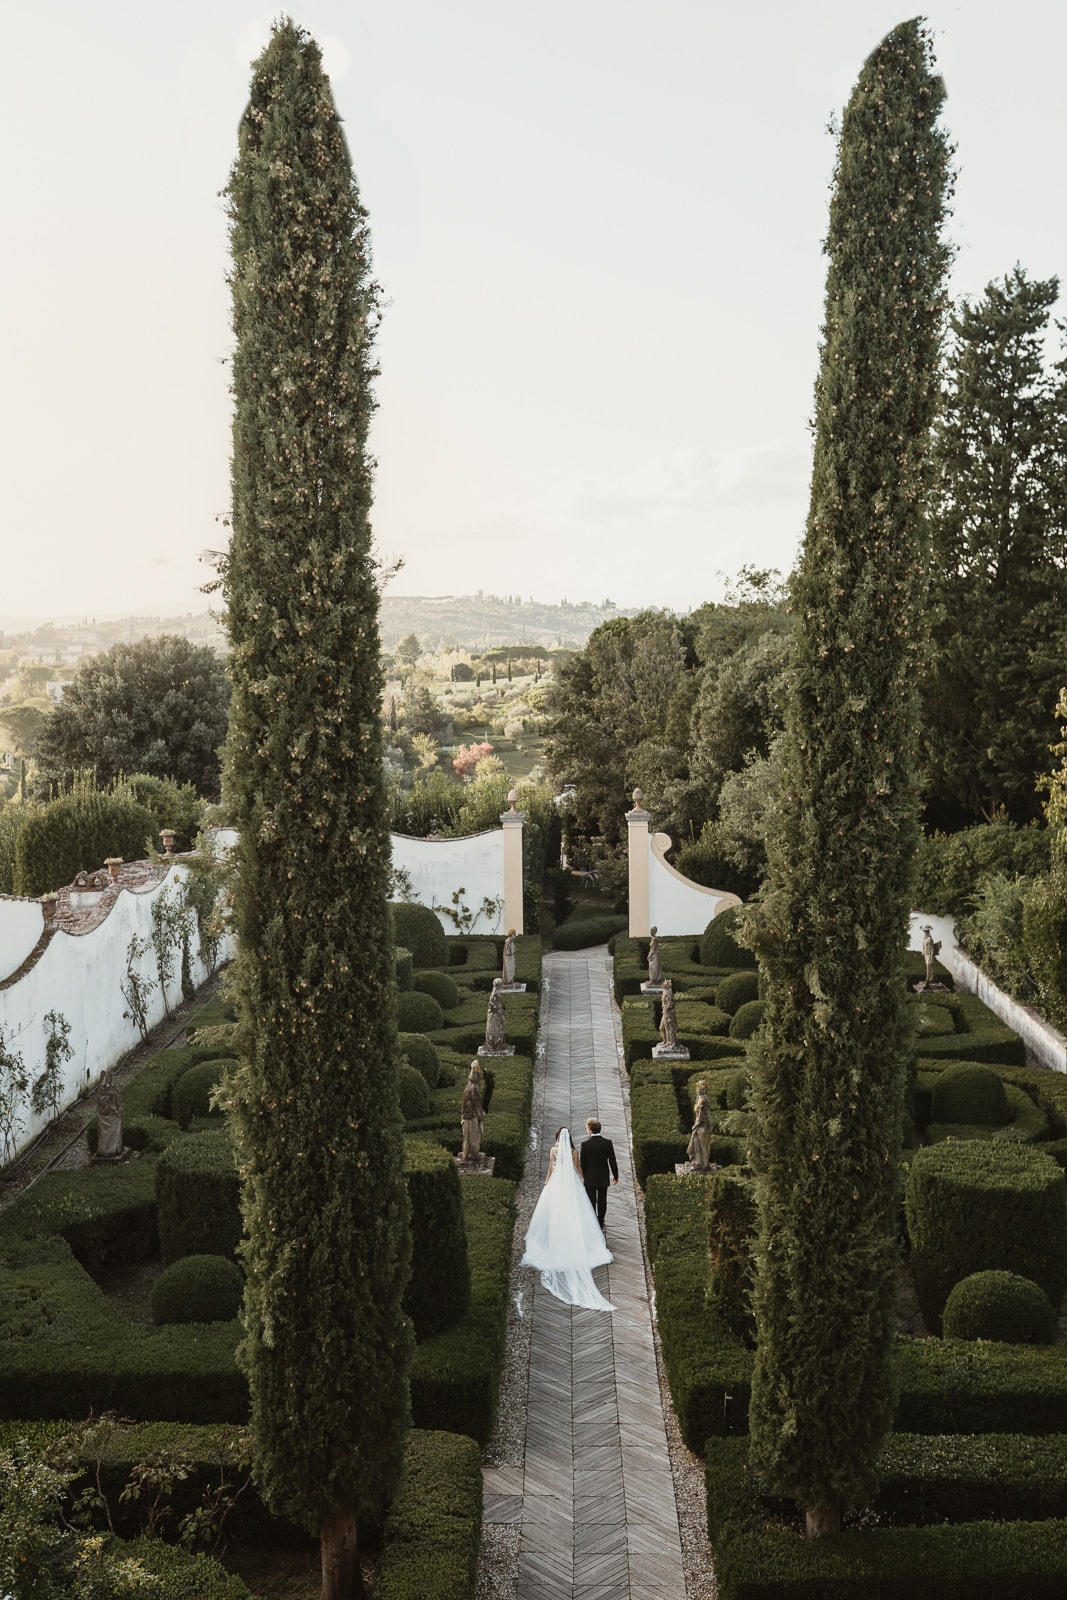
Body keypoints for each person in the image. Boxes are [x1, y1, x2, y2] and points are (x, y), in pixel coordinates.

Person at [521, 1127, 614, 1311]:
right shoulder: (573, 1151)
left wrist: (547, 1182)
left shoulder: (553, 1150)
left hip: (556, 1183)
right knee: (577, 1212)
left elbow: (551, 1167)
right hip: (571, 1184)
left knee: (553, 1212)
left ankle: (555, 1238)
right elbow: (577, 1167)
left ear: (557, 1138)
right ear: (569, 1138)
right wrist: (584, 1178)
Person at [579, 1117, 619, 1230]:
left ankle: (592, 1221)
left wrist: (584, 1176)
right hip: (603, 1176)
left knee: (591, 1200)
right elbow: (612, 1161)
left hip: (590, 1177)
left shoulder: (585, 1144)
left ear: (590, 1129)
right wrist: (615, 1176)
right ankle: (600, 1220)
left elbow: (583, 1163)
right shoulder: (607, 1143)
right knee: (602, 1200)